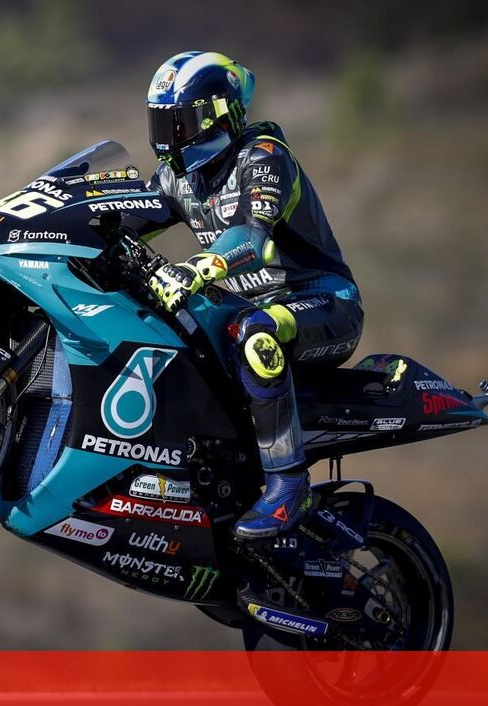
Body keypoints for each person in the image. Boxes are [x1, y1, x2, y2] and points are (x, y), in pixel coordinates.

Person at [136, 52, 363, 539]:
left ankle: (289, 484)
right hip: (247, 309)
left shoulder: (263, 157)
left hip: (325, 303)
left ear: (218, 115)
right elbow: (132, 218)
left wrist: (199, 268)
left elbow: (253, 238)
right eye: (162, 123)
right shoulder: (177, 175)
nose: (169, 138)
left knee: (256, 334)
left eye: (181, 122)